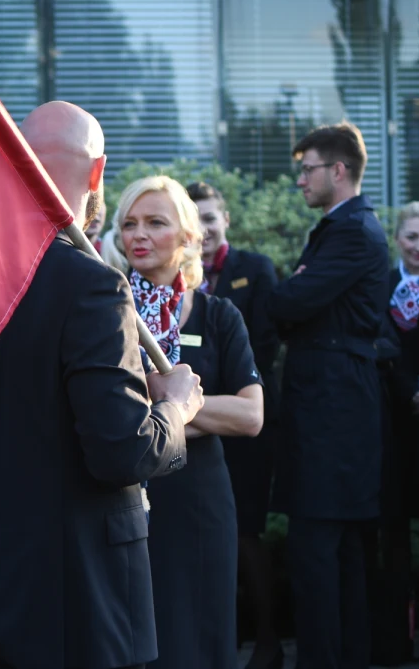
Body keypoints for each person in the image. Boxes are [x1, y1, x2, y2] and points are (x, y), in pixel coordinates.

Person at [0, 101, 205, 669]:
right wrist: (176, 406)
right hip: (86, 602)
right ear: (97, 175)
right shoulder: (93, 287)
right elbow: (121, 452)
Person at [106, 175, 263, 669]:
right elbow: (105, 417)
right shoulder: (104, 315)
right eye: (129, 224)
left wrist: (168, 405)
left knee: (202, 641)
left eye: (156, 222)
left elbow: (251, 415)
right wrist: (188, 411)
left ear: (189, 237)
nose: (139, 235)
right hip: (125, 501)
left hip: (200, 504)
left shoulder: (219, 316)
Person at [267, 122, 389, 669]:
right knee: (331, 550)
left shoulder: (353, 231)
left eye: (307, 168)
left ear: (338, 170)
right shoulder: (341, 230)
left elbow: (292, 301)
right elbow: (299, 301)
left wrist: (293, 290)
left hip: (335, 413)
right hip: (332, 405)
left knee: (322, 549)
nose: (300, 181)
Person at [186, 181, 282, 669]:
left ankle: (265, 639)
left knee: (246, 533)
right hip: (199, 432)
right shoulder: (168, 286)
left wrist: (215, 404)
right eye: (194, 217)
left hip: (243, 430)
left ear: (226, 219)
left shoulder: (254, 270)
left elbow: (261, 349)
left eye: (210, 217)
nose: (203, 227)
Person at [370, 201, 419, 663]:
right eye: (411, 237)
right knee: (391, 535)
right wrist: (407, 390)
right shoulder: (381, 285)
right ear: (398, 238)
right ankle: (395, 641)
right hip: (390, 424)